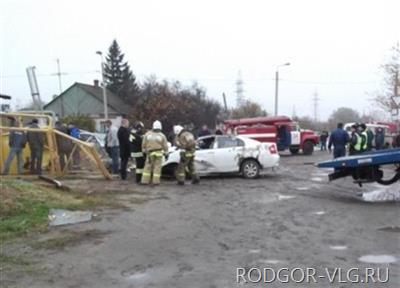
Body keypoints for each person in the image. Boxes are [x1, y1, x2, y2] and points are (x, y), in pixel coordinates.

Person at [141, 120, 168, 185]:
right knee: (157, 168)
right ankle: (155, 181)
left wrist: (143, 151)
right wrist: (166, 153)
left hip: (150, 153)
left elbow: (143, 144)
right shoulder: (162, 135)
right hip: (159, 153)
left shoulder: (147, 134)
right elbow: (165, 145)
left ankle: (145, 181)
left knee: (147, 167)